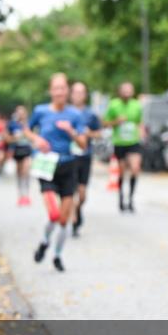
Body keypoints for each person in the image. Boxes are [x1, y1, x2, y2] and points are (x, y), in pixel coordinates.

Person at [26, 73, 87, 273]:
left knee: (63, 219)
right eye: (56, 88)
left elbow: (83, 143)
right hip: (47, 166)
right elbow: (27, 130)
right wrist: (37, 140)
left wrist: (71, 132)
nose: (60, 92)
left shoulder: (75, 115)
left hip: (68, 166)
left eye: (63, 88)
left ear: (67, 91)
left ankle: (57, 255)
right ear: (51, 91)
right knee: (53, 213)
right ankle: (44, 242)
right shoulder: (40, 111)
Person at [103, 82, 144, 212]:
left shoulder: (137, 105)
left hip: (133, 141)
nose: (127, 92)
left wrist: (141, 132)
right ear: (120, 91)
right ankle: (121, 197)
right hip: (119, 142)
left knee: (135, 168)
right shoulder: (113, 104)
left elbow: (139, 122)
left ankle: (130, 199)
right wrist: (116, 122)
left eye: (129, 90)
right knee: (121, 171)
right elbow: (105, 122)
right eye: (124, 90)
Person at [70, 81, 102, 237]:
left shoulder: (90, 114)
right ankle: (74, 220)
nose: (78, 95)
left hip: (85, 156)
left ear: (85, 95)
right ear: (71, 94)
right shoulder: (66, 112)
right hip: (69, 157)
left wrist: (90, 134)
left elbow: (99, 133)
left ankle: (77, 210)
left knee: (82, 195)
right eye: (75, 92)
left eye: (81, 92)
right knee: (70, 191)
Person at [7, 106, 33, 206]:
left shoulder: (29, 123)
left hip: (27, 149)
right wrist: (14, 138)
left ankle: (26, 194)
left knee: (26, 170)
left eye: (22, 112)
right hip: (17, 150)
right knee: (19, 172)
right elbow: (7, 138)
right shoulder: (12, 124)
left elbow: (34, 136)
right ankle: (20, 194)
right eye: (19, 112)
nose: (21, 114)